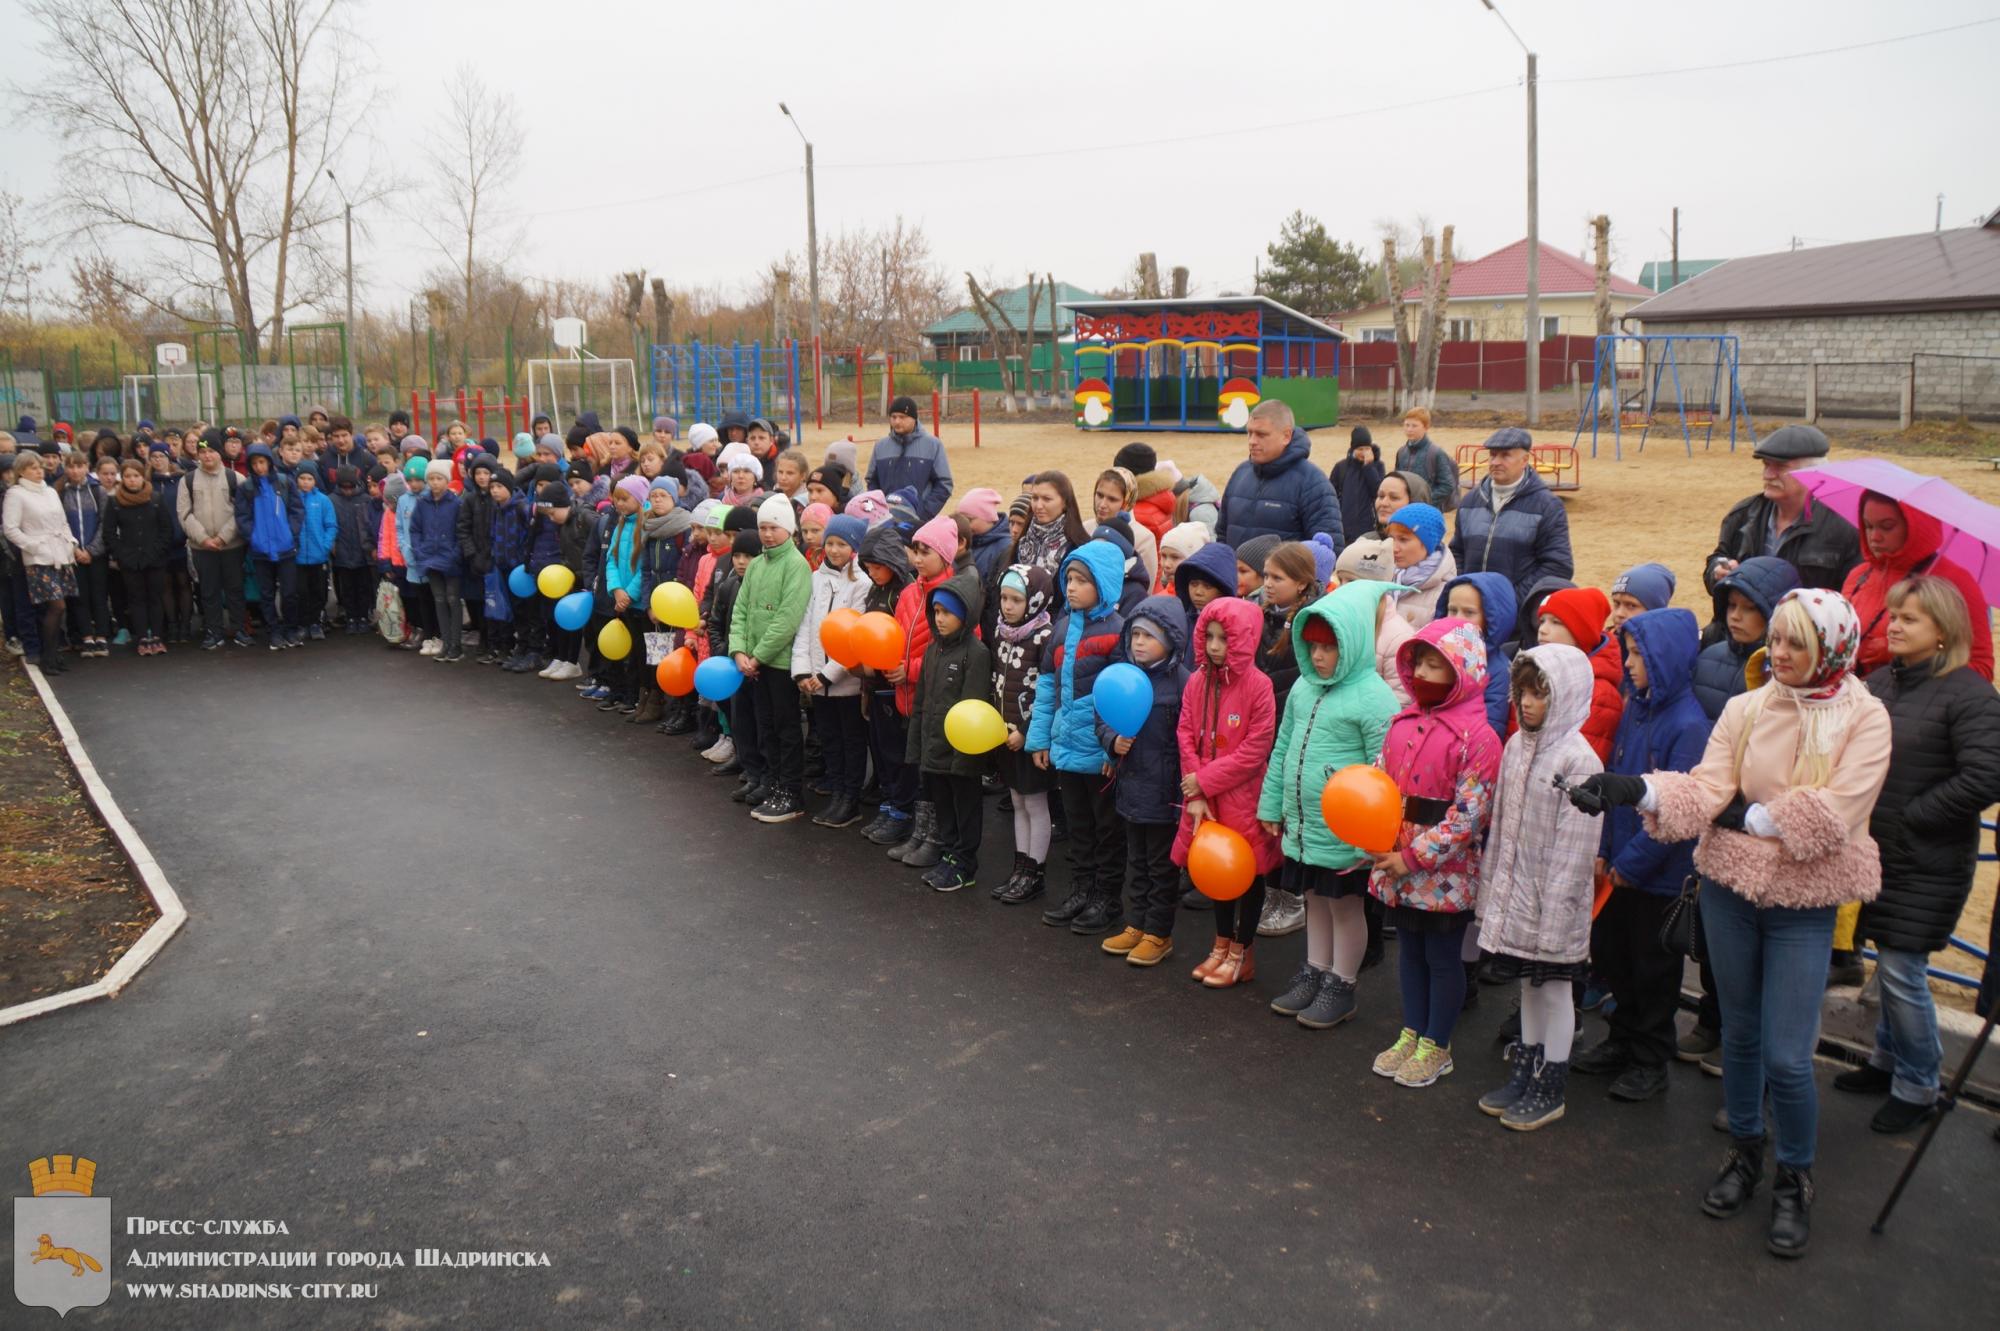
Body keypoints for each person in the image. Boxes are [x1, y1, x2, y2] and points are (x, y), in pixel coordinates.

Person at [1564, 588, 1890, 1261]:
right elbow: (1707, 787)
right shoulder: (1746, 707)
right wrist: (1637, 789)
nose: (1780, 653)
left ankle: (1794, 1175)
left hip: (1805, 900)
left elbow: (1839, 810)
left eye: (1797, 642)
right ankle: (1746, 1151)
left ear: (1832, 646)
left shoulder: (1866, 717)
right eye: (1777, 638)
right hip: (1728, 888)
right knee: (1739, 1033)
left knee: (1787, 1054)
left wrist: (1752, 817)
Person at [1839, 575, 2000, 1132]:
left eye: (1910, 618)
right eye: (1893, 615)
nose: (1895, 625)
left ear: (1943, 631)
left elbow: (1986, 775)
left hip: (1927, 858)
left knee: (1905, 970)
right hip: (1878, 853)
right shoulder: (1881, 681)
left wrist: (1915, 818)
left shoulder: (1970, 693)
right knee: (1889, 962)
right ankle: (1886, 1062)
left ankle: (1918, 1085)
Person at [1573, 608, 1710, 1103]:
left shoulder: (1688, 726)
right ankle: (1622, 1042)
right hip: (1620, 868)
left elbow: (1676, 813)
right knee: (1616, 958)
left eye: (1638, 655)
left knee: (1654, 971)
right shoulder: (1636, 707)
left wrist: (1630, 862)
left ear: (1665, 659)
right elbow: (1616, 783)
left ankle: (1651, 1058)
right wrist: (1605, 849)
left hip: (1657, 877)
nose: (1629, 663)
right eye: (1627, 653)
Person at [1369, 620, 1502, 1089]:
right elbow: (1378, 783)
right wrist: (1378, 840)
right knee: (1409, 953)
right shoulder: (1401, 723)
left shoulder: (1479, 739)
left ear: (1462, 673)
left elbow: (1468, 816)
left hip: (1444, 870)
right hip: (1396, 859)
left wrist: (1413, 856)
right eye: (1418, 662)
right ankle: (1412, 1030)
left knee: (1443, 958)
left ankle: (1437, 1043)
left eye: (1435, 665)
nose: (1422, 672)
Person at [1473, 645, 1602, 1129]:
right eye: (1523, 691)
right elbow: (1502, 827)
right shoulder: (1515, 747)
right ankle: (1525, 1071)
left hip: (1554, 904)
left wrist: (1557, 916)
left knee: (1555, 993)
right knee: (1528, 987)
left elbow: (1576, 851)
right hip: (1519, 897)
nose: (1526, 703)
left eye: (1539, 694)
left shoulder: (1579, 761)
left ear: (1564, 696)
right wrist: (1493, 898)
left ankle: (1551, 1085)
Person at [1260, 582, 1400, 1024]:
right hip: (1305, 825)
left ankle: (1342, 983)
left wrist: (1374, 835)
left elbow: (1386, 771)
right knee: (1314, 898)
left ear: (1354, 643)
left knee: (1344, 905)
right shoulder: (1304, 688)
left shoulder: (1375, 698)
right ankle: (1314, 971)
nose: (1318, 656)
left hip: (1346, 830)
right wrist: (1271, 804)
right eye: (1312, 646)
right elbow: (1283, 747)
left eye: (1329, 647)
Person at [1171, 595, 1281, 980]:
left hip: (1244, 798)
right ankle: (1220, 943)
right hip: (1207, 798)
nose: (1215, 647)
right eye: (1210, 637)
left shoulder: (1259, 686)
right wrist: (1198, 793)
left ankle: (1242, 951)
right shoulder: (1197, 681)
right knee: (1215, 869)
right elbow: (1186, 732)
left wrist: (1203, 779)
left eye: (1224, 639)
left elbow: (1255, 749)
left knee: (1247, 874)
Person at [1028, 540, 1130, 936]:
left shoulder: (1119, 632)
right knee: (1078, 827)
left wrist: (1114, 749)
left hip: (1100, 754)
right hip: (1067, 748)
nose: (1071, 587)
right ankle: (1081, 890)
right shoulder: (1062, 628)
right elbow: (1047, 687)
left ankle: (1107, 899)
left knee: (1107, 830)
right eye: (1069, 578)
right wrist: (1041, 739)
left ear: (1103, 584)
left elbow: (1125, 696)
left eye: (1082, 580)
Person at [1097, 595, 1189, 964]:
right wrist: (1111, 743)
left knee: (1161, 866)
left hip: (1165, 793)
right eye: (1134, 634)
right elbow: (1103, 716)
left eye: (1148, 636)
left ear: (1170, 639)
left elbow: (1189, 740)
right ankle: (1135, 923)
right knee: (1136, 860)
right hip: (1131, 787)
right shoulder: (1123, 675)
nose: (1138, 642)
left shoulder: (1182, 683)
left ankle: (1158, 932)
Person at [1703, 425, 1860, 617]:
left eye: (1780, 467)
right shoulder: (1744, 515)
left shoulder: (1844, 527)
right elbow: (1718, 558)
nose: (1767, 475)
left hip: (1804, 637)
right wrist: (1717, 571)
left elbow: (1851, 599)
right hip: (1744, 634)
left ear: (1813, 474)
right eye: (1766, 465)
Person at [1841, 491, 1993, 682]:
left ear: (1915, 526)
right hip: (1852, 701)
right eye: (1868, 526)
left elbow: (1981, 669)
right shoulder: (1858, 576)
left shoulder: (1953, 581)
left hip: (1916, 706)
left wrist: (1908, 656)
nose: (1875, 537)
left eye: (1887, 527)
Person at [905, 566, 994, 891]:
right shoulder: (933, 650)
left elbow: (973, 709)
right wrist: (917, 746)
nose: (939, 619)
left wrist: (965, 758)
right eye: (936, 611)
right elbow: (922, 704)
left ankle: (965, 862)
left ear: (966, 615)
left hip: (961, 755)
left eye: (947, 613)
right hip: (935, 749)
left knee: (964, 807)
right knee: (943, 805)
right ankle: (949, 853)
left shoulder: (976, 654)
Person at [730, 494, 814, 823]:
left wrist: (758, 656)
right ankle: (774, 782)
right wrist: (739, 650)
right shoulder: (757, 565)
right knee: (765, 727)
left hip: (778, 665)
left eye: (774, 528)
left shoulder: (796, 566)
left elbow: (786, 619)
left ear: (789, 530)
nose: (766, 534)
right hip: (754, 663)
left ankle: (791, 792)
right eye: (762, 527)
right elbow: (741, 610)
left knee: (787, 729)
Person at [882, 515, 960, 865]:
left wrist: (909, 671)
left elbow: (950, 653)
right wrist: (891, 664)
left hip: (932, 700)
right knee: (917, 769)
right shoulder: (910, 592)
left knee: (936, 776)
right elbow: (898, 635)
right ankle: (921, 830)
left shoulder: (953, 595)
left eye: (925, 551)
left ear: (944, 555)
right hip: (906, 699)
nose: (916, 558)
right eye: (914, 550)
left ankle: (937, 836)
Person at [793, 514, 871, 826]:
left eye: (842, 544)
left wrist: (827, 674)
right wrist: (802, 671)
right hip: (815, 680)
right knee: (829, 739)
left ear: (854, 548)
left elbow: (854, 637)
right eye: (830, 543)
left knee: (850, 740)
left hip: (844, 682)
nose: (834, 550)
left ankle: (850, 797)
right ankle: (836, 790)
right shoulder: (815, 580)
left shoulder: (861, 585)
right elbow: (805, 627)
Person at [990, 564, 1058, 904]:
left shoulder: (1045, 638)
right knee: (1017, 799)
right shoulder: (1001, 631)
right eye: (1004, 597)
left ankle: (1036, 871)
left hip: (1030, 740)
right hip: (1004, 735)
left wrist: (1028, 732)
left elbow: (1049, 694)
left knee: (1034, 802)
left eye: (1017, 599)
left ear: (1035, 601)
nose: (1008, 605)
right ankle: (1019, 867)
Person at [1449, 428, 1572, 611]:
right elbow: (1456, 552)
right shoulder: (1470, 501)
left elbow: (1558, 566)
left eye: (1505, 455)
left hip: (1516, 617)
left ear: (1524, 460)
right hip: (1469, 612)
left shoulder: (1547, 506)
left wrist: (1510, 601)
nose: (1496, 462)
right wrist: (1466, 594)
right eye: (1492, 455)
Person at [855, 523, 919, 848]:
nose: (872, 572)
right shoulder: (874, 591)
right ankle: (889, 804)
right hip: (874, 684)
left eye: (877, 566)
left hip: (896, 687)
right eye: (867, 567)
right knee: (880, 751)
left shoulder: (903, 592)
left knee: (898, 754)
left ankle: (902, 812)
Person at [1213, 400, 1342, 550]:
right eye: (1249, 433)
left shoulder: (1313, 484)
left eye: (1261, 434)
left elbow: (1328, 552)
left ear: (1286, 436)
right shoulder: (1240, 474)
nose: (1252, 441)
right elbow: (1222, 536)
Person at [1694, 556, 1798, 722]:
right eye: (1731, 605)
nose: (1735, 616)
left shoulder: (1785, 674)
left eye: (1750, 608)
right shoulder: (1706, 659)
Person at [3, 451, 80, 673]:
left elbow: (62, 520)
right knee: (57, 606)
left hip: (60, 554)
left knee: (58, 607)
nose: (39, 471)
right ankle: (46, 655)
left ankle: (54, 653)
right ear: (21, 471)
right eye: (33, 467)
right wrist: (33, 545)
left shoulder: (49, 491)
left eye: (40, 467)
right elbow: (10, 528)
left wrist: (70, 542)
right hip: (38, 558)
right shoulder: (16, 494)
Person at [1534, 587, 1624, 761]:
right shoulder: (1532, 675)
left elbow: (1582, 762)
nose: (1543, 629)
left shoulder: (1599, 694)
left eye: (1556, 622)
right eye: (1542, 620)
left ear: (1581, 633)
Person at [178, 435, 248, 650]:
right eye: (202, 452)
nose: (207, 456)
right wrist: (204, 538)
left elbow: (241, 512)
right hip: (202, 547)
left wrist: (222, 537)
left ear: (220, 453)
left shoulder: (235, 478)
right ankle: (214, 631)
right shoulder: (187, 480)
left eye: (211, 451)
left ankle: (239, 630)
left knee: (235, 589)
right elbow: (184, 513)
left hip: (231, 546)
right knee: (209, 591)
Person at [100, 457, 175, 655]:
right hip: (130, 560)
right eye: (127, 476)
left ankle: (157, 635)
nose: (132, 480)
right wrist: (122, 555)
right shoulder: (115, 502)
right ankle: (142, 637)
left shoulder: (156, 498)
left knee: (155, 597)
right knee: (136, 599)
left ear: (143, 477)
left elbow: (166, 529)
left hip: (155, 558)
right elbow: (109, 533)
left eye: (136, 476)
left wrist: (155, 551)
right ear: (122, 478)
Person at [235, 442, 304, 650]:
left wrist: (291, 533)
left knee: (290, 592)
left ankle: (291, 628)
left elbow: (296, 509)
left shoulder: (284, 483)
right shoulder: (246, 488)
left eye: (262, 462)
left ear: (269, 462)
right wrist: (253, 537)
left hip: (285, 548)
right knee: (266, 594)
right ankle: (274, 631)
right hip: (261, 550)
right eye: (254, 463)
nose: (259, 467)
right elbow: (242, 516)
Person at [56, 450, 111, 656]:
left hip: (96, 554)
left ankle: (102, 635)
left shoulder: (99, 492)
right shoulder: (61, 493)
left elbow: (104, 523)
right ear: (66, 469)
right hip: (73, 555)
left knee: (99, 595)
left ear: (87, 467)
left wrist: (91, 550)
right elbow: (61, 525)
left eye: (80, 466)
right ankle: (86, 636)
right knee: (79, 597)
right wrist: (75, 549)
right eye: (71, 466)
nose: (76, 470)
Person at [409, 459, 464, 662]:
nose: (434, 483)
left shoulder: (456, 503)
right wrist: (419, 551)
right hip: (430, 559)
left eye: (439, 478)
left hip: (450, 560)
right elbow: (415, 529)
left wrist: (455, 553)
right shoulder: (422, 504)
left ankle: (456, 644)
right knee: (439, 600)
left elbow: (461, 531)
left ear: (446, 480)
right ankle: (446, 642)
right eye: (431, 478)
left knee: (452, 599)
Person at [866, 395, 953, 520]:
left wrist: (924, 513)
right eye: (893, 417)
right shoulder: (880, 446)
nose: (897, 421)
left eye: (902, 417)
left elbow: (944, 484)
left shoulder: (933, 445)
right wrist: (879, 511)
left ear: (914, 418)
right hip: (886, 520)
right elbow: (872, 482)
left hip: (919, 520)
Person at [1383, 502, 1455, 628]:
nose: (1394, 548)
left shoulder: (1446, 592)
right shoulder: (1382, 576)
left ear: (1428, 544)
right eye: (1391, 538)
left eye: (1403, 539)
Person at [1091, 468, 1158, 587]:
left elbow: (1145, 587)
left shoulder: (1143, 538)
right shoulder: (1086, 527)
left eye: (1112, 499)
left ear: (1127, 502)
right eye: (1099, 495)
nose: (1102, 504)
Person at [291, 461, 336, 639]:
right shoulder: (292, 499)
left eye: (309, 478)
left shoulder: (323, 500)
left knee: (319, 591)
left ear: (315, 480)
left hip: (319, 556)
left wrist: (325, 546)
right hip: (298, 557)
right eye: (302, 478)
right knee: (301, 592)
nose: (305, 482)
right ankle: (303, 623)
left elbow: (331, 525)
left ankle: (316, 622)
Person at [1015, 472, 1089, 576]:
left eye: (1047, 499)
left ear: (1064, 503)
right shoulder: (1023, 541)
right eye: (1035, 498)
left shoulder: (1077, 548)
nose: (1038, 506)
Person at [1394, 406, 1458, 513]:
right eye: (1407, 425)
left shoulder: (1436, 453)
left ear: (1426, 427)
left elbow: (1447, 485)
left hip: (1427, 512)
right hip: (1404, 510)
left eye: (1414, 426)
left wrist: (1424, 501)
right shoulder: (1401, 452)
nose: (1409, 429)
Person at [1331, 426, 1385, 547]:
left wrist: (1368, 467)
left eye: (1367, 448)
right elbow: (1331, 495)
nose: (1364, 453)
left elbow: (1378, 491)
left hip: (1368, 527)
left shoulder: (1378, 466)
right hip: (1345, 528)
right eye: (1360, 449)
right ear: (1353, 448)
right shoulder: (1341, 467)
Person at [1610, 562, 1677, 629]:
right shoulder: (1607, 638)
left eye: (1631, 606)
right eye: (1617, 604)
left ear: (1655, 610)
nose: (1619, 613)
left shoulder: (1668, 639)